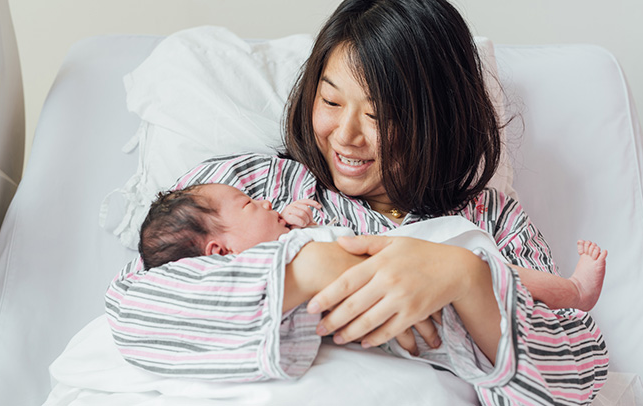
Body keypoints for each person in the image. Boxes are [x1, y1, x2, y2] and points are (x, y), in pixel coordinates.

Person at [105, 0, 609, 404]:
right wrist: (309, 269)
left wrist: (465, 278)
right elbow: (136, 309)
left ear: (439, 120)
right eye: (330, 101)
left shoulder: (493, 219)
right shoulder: (246, 185)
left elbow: (579, 375)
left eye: (380, 115)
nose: (345, 135)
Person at [139, 182, 607, 314]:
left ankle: (571, 292)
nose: (264, 200)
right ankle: (573, 289)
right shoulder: (244, 281)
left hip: (417, 256)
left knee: (495, 272)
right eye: (248, 204)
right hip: (400, 281)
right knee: (497, 275)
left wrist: (293, 223)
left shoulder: (277, 237)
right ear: (221, 253)